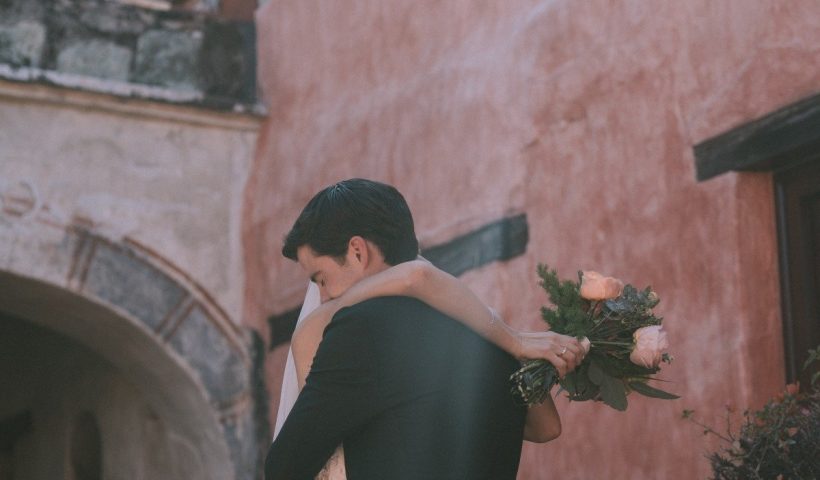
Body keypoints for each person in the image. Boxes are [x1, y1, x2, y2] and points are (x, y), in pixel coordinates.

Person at [265, 179, 585, 480]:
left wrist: (328, 314)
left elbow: (284, 467)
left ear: (357, 251)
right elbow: (546, 427)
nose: (323, 297)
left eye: (321, 278)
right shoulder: (486, 336)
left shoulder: (361, 330)